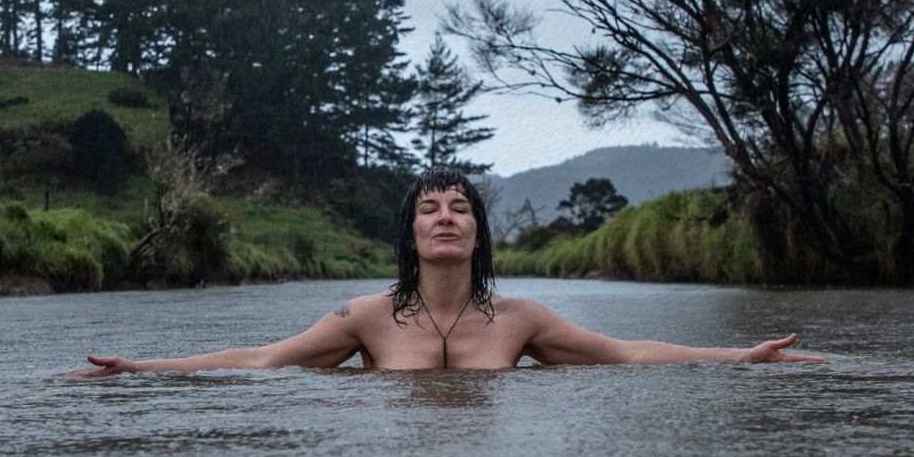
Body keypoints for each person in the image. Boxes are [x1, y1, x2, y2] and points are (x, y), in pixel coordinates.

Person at [67, 165, 821, 376]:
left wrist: (737, 355)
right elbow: (262, 359)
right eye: (430, 208)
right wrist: (143, 367)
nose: (446, 216)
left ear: (478, 231)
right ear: (411, 232)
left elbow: (625, 353)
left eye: (460, 206)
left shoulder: (520, 321)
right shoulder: (365, 318)